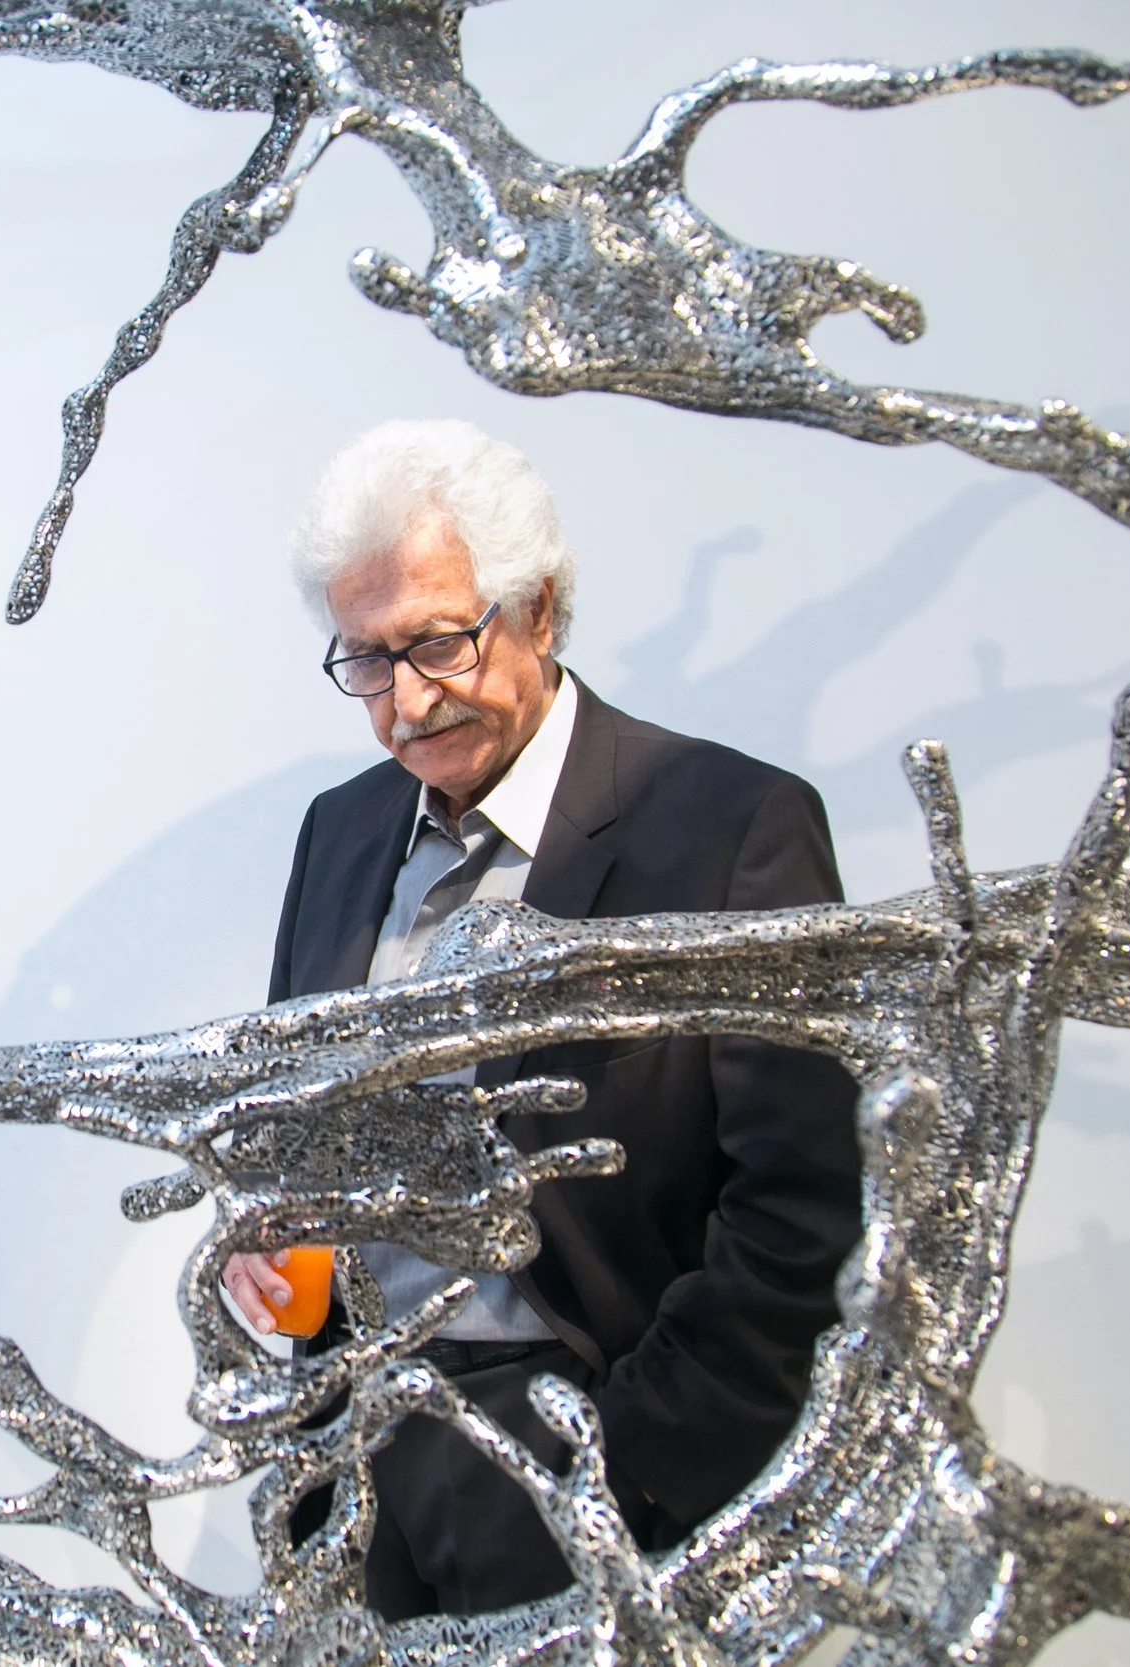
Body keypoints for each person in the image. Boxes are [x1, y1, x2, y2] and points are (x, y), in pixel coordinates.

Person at [222, 419, 862, 1620]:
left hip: (581, 1445)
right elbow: (287, 1118)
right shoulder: (339, 829)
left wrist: (622, 1474)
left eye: (438, 641)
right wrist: (260, 1226)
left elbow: (807, 1215)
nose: (404, 701)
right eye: (364, 658)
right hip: (348, 1457)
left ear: (543, 609)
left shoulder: (733, 831)